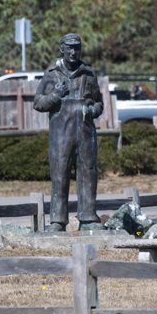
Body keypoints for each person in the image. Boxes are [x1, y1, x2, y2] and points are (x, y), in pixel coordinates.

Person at [33, 33, 104, 232]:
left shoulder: (88, 74)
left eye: (77, 47)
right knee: (60, 174)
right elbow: (38, 103)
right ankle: (57, 220)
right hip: (60, 134)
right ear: (61, 49)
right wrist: (56, 94)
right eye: (69, 48)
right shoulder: (52, 74)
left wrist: (93, 110)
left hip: (85, 132)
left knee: (88, 173)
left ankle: (88, 217)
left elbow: (99, 102)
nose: (73, 52)